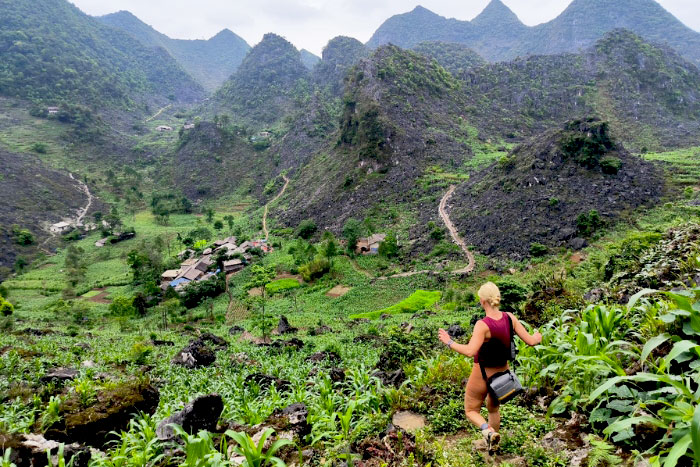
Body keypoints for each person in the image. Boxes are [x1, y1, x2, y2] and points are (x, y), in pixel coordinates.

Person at [438, 282, 542, 452]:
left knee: (471, 410)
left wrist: (449, 342)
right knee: (493, 409)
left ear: (482, 301)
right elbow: (531, 341)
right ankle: (493, 445)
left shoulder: (483, 325)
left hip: (483, 373)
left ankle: (487, 431)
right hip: (503, 373)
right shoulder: (510, 318)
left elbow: (471, 351)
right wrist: (538, 336)